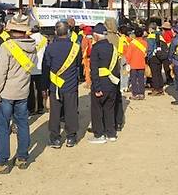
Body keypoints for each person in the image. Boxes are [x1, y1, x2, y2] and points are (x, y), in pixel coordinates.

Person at [0, 14, 37, 174]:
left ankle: (1, 161)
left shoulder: (6, 47)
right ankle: (22, 157)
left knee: (3, 127)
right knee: (22, 124)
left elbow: (0, 73)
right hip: (23, 91)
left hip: (6, 93)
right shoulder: (33, 46)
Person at [42, 20, 81, 148]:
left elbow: (45, 68)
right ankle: (71, 137)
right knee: (71, 111)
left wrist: (44, 87)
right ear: (68, 32)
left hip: (55, 85)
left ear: (55, 32)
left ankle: (55, 139)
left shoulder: (50, 48)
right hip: (70, 84)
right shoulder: (76, 47)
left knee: (54, 113)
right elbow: (78, 65)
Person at [88, 23, 120, 143]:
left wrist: (96, 88)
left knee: (97, 110)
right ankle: (111, 133)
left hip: (100, 83)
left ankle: (99, 135)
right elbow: (116, 67)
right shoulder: (112, 47)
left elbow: (94, 70)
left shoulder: (96, 48)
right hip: (111, 82)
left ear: (96, 35)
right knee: (109, 109)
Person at [28, 25, 47, 115]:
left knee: (30, 90)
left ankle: (31, 108)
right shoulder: (44, 39)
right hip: (41, 67)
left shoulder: (28, 39)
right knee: (40, 89)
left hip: (30, 67)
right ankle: (40, 107)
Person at [125, 26, 148, 100]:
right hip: (141, 64)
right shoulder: (145, 43)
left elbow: (128, 55)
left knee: (134, 80)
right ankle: (141, 94)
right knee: (141, 80)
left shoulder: (132, 43)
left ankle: (135, 94)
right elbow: (146, 53)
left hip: (133, 64)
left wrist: (127, 63)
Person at [146, 23, 168, 96]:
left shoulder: (150, 36)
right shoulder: (160, 35)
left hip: (153, 56)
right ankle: (161, 88)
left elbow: (149, 48)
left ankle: (156, 89)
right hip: (160, 55)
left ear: (150, 29)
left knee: (154, 73)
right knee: (159, 73)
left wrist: (148, 57)